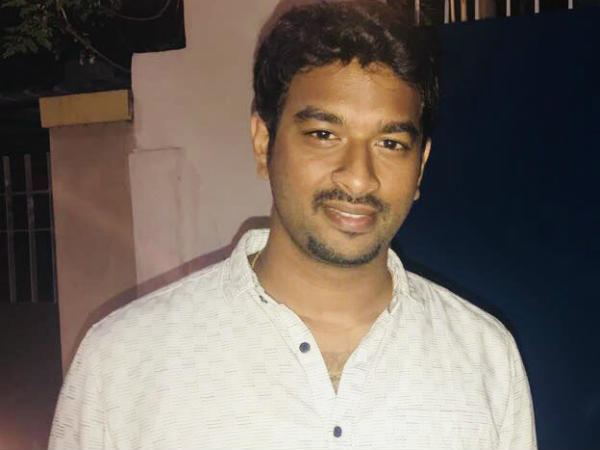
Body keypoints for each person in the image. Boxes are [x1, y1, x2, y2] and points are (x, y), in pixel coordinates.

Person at [48, 1, 537, 449]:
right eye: (324, 134)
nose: (359, 177)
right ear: (264, 142)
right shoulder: (125, 362)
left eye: (390, 144)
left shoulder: (485, 359)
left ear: (421, 166)